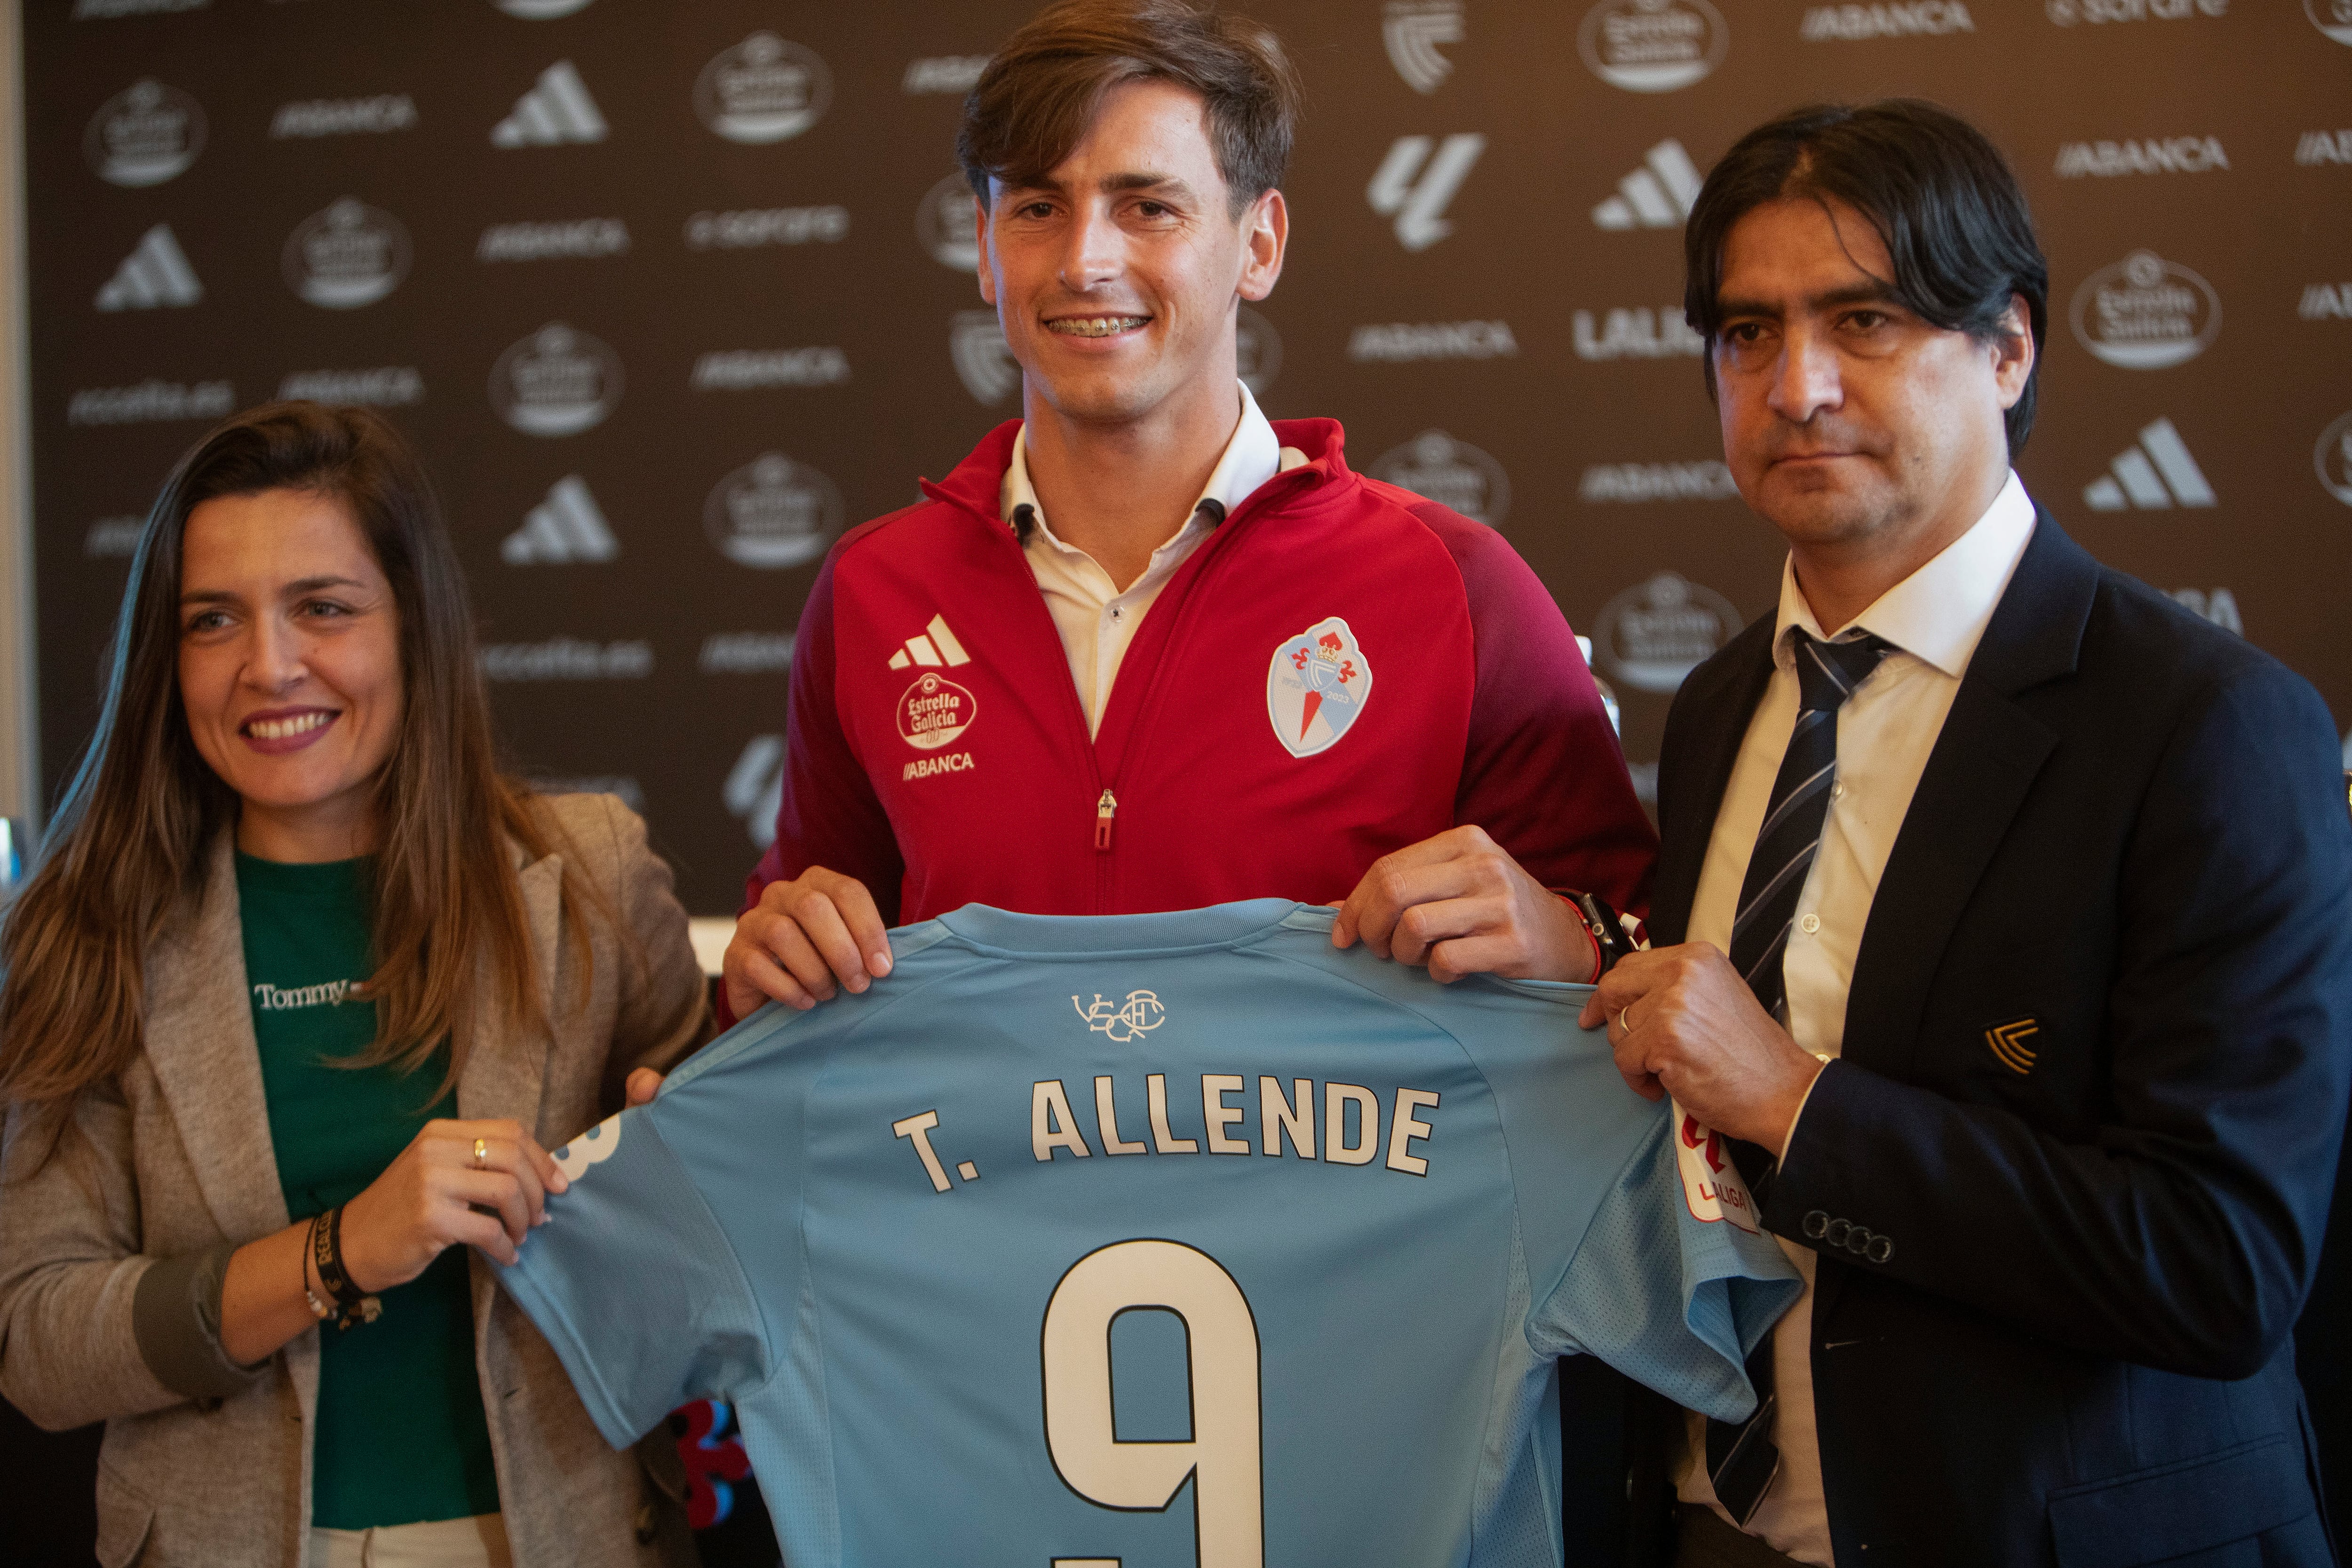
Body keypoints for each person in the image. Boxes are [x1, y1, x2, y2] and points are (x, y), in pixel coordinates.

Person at [1581, 100, 2352, 1566]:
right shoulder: (1718, 701)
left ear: (2008, 347)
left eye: (1863, 319)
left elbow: (2222, 1262)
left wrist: (1797, 1102)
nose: (1797, 384)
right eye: (1748, 333)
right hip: (1713, 1528)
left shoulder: (2206, 724)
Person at [722, 0, 1653, 1027]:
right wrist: (769, 961)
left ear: (1259, 244)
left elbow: (1637, 951)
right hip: (981, 1190)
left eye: (1146, 207)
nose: (1085, 260)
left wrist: (1575, 938)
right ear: (986, 249)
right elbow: (791, 979)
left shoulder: (1454, 582)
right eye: (1037, 206)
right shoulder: (875, 591)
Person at [0, 403, 708, 1568]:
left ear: (411, 629)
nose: (269, 664)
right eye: (213, 619)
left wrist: (675, 1176)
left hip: (563, 1535)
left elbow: (727, 1233)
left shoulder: (590, 875)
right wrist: (335, 1254)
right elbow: (38, 1337)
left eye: (323, 607)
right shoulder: (90, 929)